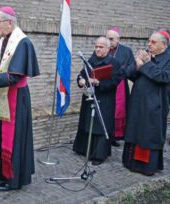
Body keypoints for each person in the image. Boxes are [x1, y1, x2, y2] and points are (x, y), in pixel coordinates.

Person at [0, 6, 40, 191]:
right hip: (3, 96)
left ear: (9, 22)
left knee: (13, 139)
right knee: (0, 135)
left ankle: (13, 180)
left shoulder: (22, 43)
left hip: (16, 98)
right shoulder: (2, 41)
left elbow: (14, 76)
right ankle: (2, 174)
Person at [122, 30, 170, 176]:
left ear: (164, 44)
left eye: (153, 42)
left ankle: (146, 167)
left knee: (148, 134)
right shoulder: (146, 56)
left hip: (155, 105)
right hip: (137, 103)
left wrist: (147, 64)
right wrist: (137, 65)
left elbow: (164, 77)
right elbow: (129, 75)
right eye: (149, 41)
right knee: (134, 131)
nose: (149, 44)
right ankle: (130, 162)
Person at [73, 37, 121, 165]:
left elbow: (115, 81)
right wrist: (80, 80)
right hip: (89, 98)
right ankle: (84, 149)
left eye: (100, 47)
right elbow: (82, 74)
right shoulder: (91, 60)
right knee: (87, 123)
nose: (97, 49)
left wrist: (99, 82)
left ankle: (98, 155)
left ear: (108, 48)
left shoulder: (114, 63)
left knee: (100, 125)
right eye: (96, 47)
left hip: (104, 99)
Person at [106, 27, 135, 147]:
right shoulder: (103, 48)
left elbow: (132, 65)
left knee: (118, 112)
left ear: (118, 39)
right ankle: (106, 136)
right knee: (107, 111)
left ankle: (114, 136)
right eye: (107, 38)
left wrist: (123, 73)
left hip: (120, 86)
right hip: (106, 85)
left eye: (111, 39)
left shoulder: (126, 51)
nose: (109, 41)